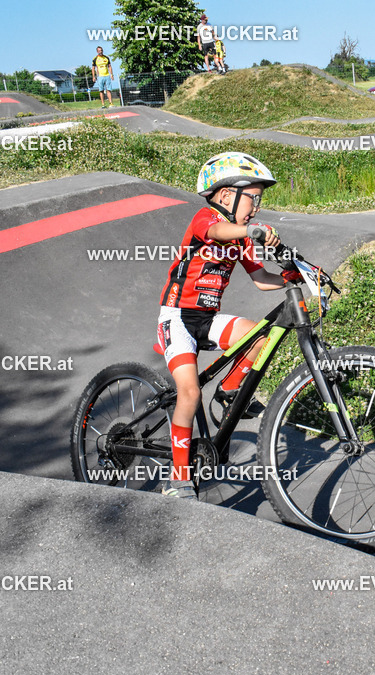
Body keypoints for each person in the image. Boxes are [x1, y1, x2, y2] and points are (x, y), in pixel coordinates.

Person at [155, 152, 286, 498]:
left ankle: (228, 393)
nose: (257, 207)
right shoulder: (206, 218)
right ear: (227, 195)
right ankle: (178, 478)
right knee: (189, 393)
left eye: (259, 201)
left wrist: (293, 276)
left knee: (260, 336)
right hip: (177, 318)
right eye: (253, 198)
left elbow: (260, 278)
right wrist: (250, 229)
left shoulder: (241, 237)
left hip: (207, 320)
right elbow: (217, 231)